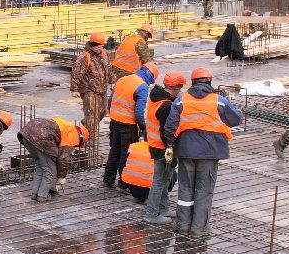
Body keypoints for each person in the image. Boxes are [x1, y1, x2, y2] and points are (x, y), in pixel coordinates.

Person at [162, 67, 243, 238]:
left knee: (185, 189)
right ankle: (198, 229)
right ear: (210, 82)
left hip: (186, 150)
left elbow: (170, 126)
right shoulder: (219, 101)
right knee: (203, 190)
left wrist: (170, 144)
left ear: (192, 82)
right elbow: (236, 119)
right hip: (210, 152)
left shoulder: (181, 100)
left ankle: (183, 226)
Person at [103, 61, 158, 189]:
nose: (151, 83)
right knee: (125, 154)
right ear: (149, 74)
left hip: (115, 122)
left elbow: (110, 101)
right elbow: (139, 112)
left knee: (114, 151)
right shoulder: (142, 86)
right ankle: (123, 183)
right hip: (128, 126)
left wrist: (114, 115)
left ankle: (108, 179)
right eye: (152, 79)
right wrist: (143, 127)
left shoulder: (122, 79)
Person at [17, 116, 89, 203]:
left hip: (26, 133)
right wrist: (61, 177)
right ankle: (42, 196)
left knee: (41, 166)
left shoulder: (66, 126)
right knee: (50, 170)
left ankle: (35, 194)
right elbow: (62, 159)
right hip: (41, 137)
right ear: (81, 138)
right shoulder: (73, 135)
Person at [144, 71, 184, 223]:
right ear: (177, 87)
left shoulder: (156, 99)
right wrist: (171, 146)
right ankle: (151, 214)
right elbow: (167, 130)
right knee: (160, 181)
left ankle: (163, 208)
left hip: (155, 145)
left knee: (164, 179)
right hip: (162, 148)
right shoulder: (167, 106)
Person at [70, 32, 111, 129]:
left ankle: (86, 124)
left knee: (103, 111)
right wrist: (74, 89)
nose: (100, 48)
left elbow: (109, 68)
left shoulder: (104, 54)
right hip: (89, 90)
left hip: (102, 89)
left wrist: (113, 81)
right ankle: (90, 136)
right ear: (92, 45)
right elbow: (76, 73)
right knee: (92, 114)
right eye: (98, 46)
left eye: (101, 46)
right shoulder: (84, 57)